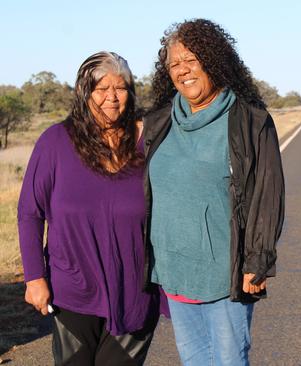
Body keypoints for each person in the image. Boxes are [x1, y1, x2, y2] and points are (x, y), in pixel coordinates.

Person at [142, 18, 284, 365]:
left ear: (214, 61)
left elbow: (268, 195)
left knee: (228, 360)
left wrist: (258, 261)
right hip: (175, 269)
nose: (182, 70)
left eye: (192, 59)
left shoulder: (250, 121)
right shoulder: (159, 121)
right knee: (194, 361)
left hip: (225, 272)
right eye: (174, 63)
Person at [18, 51, 161, 366]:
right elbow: (30, 212)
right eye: (101, 88)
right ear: (85, 93)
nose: (111, 97)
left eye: (120, 88)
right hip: (72, 291)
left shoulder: (149, 141)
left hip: (135, 291)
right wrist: (34, 278)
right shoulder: (56, 141)